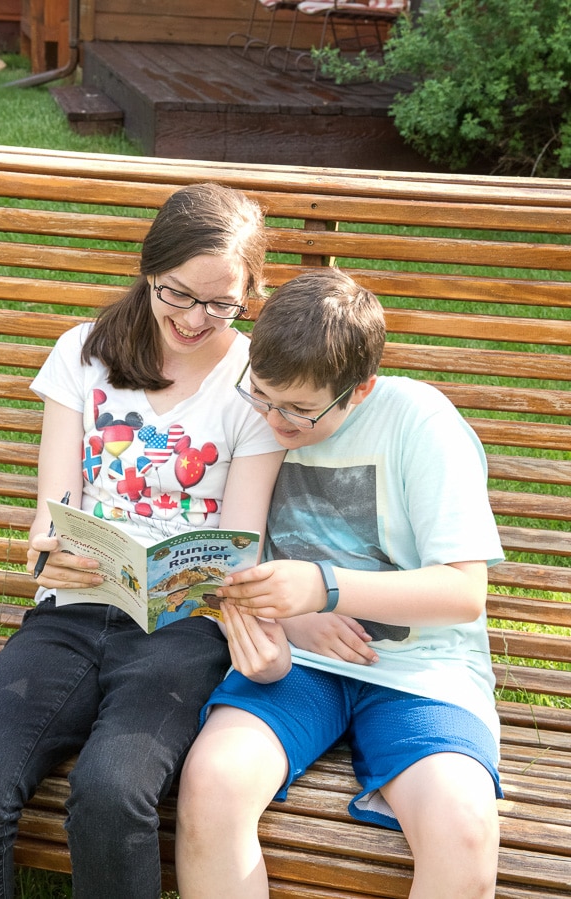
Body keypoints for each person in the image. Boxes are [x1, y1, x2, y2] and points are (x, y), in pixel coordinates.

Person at [0, 183, 284, 899]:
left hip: (183, 631)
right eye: (178, 293)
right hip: (74, 608)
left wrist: (211, 587)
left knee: (113, 790)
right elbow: (52, 512)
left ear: (247, 296)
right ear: (149, 268)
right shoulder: (83, 353)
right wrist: (52, 545)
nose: (196, 318)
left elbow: (242, 542)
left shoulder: (252, 381)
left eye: (221, 303)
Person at [176, 268, 505, 899]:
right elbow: (232, 564)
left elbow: (464, 593)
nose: (275, 419)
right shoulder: (252, 415)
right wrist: (285, 622)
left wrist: (324, 587)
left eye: (299, 410)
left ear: (360, 390)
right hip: (299, 662)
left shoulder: (420, 422)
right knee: (213, 785)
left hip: (420, 669)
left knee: (461, 827)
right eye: (264, 396)